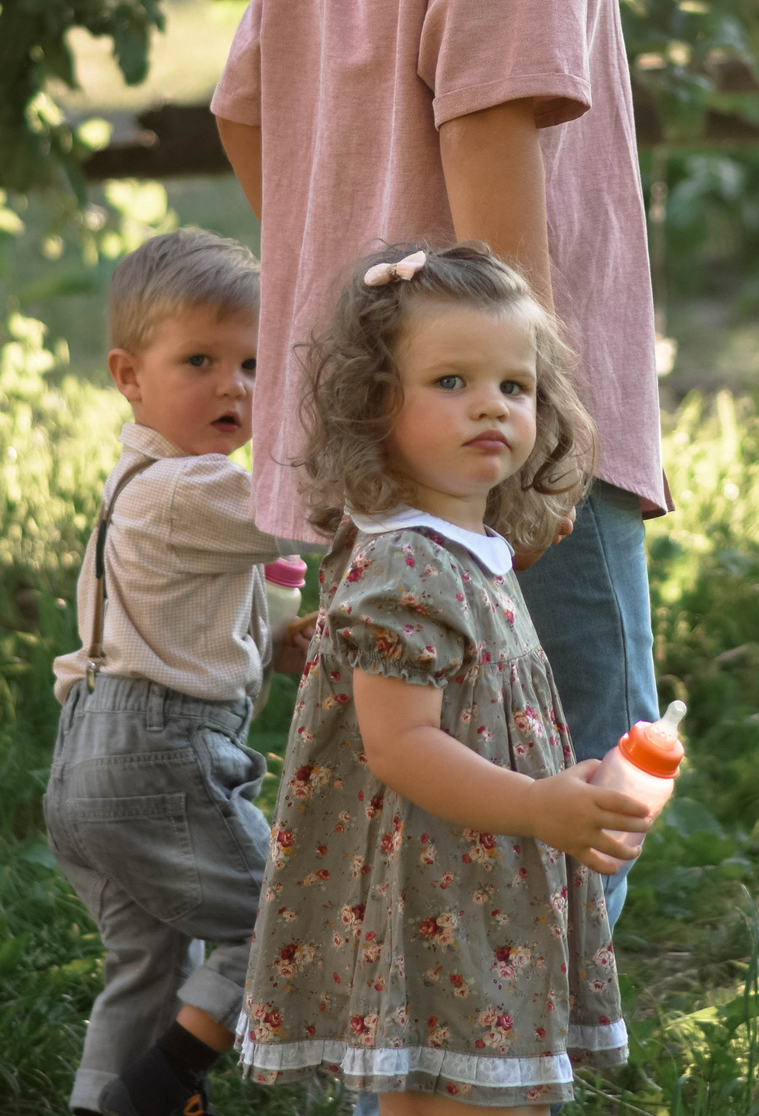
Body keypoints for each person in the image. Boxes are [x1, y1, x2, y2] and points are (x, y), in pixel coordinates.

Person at [210, 0, 748, 930]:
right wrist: (535, 405)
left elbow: (246, 116)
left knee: (414, 784)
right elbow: (493, 127)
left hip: (377, 418)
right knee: (586, 769)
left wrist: (371, 339)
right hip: (503, 427)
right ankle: (515, 1079)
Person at [236, 241, 651, 1110]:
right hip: (429, 884)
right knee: (444, 1086)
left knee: (496, 1084)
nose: (490, 406)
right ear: (375, 404)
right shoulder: (407, 566)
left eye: (515, 385)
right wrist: (538, 806)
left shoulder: (474, 548)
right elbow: (400, 746)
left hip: (477, 871)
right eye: (451, 382)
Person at [44, 229, 312, 1116]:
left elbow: (174, 621)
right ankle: (161, 1086)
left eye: (253, 363)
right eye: (201, 359)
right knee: (287, 918)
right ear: (129, 375)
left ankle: (101, 1104)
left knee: (148, 962)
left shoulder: (139, 488)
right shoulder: (193, 488)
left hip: (85, 762)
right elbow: (306, 513)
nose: (234, 386)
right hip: (157, 759)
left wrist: (275, 642)